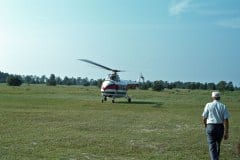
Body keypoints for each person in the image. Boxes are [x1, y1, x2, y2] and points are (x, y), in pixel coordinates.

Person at [202, 91, 230, 160]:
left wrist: (206, 125)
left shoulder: (208, 105)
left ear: (212, 97)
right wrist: (226, 132)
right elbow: (226, 120)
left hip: (210, 126)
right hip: (220, 127)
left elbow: (204, 117)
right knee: (217, 145)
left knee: (212, 146)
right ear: (219, 97)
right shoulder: (223, 106)